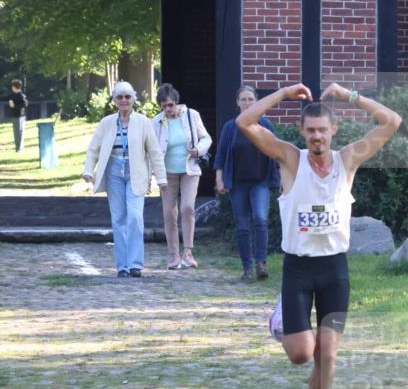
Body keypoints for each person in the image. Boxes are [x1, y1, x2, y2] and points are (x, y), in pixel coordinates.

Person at [237, 82, 402, 389]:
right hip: (298, 269)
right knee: (301, 355)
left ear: (333, 131)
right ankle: (282, 318)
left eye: (322, 131)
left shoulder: (348, 159)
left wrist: (348, 96)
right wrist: (281, 94)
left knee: (327, 355)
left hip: (334, 272)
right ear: (302, 132)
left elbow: (391, 121)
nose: (316, 137)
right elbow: (245, 123)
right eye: (310, 131)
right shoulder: (290, 159)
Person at [83, 81, 167, 278]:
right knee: (119, 218)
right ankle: (122, 266)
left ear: (134, 100)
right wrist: (88, 170)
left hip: (135, 171)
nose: (124, 100)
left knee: (135, 217)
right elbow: (93, 148)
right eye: (120, 97)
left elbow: (154, 152)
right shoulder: (106, 123)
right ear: (114, 101)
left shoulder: (144, 122)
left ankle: (135, 264)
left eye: (127, 96)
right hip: (114, 171)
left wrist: (161, 178)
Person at [215, 86, 281, 282]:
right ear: (237, 103)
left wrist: (282, 178)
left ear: (257, 102)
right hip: (238, 184)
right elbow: (221, 154)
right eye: (243, 100)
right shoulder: (230, 127)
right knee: (243, 226)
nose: (247, 103)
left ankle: (261, 263)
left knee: (260, 219)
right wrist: (220, 179)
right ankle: (247, 268)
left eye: (250, 99)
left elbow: (278, 153)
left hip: (260, 182)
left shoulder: (266, 125)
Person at [152, 84, 212, 270]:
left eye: (170, 105)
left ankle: (188, 251)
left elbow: (206, 138)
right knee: (169, 213)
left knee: (187, 207)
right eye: (164, 106)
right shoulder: (157, 122)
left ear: (176, 102)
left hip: (189, 169)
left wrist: (197, 150)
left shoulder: (191, 115)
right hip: (167, 172)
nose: (168, 109)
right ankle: (173, 254)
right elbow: (152, 149)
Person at [7, 79, 28, 152]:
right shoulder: (13, 95)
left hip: (20, 116)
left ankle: (20, 148)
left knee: (20, 132)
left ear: (14, 87)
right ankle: (17, 147)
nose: (11, 88)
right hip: (14, 116)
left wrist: (14, 106)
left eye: (12, 86)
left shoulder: (21, 95)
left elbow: (25, 104)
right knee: (16, 132)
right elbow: (5, 97)